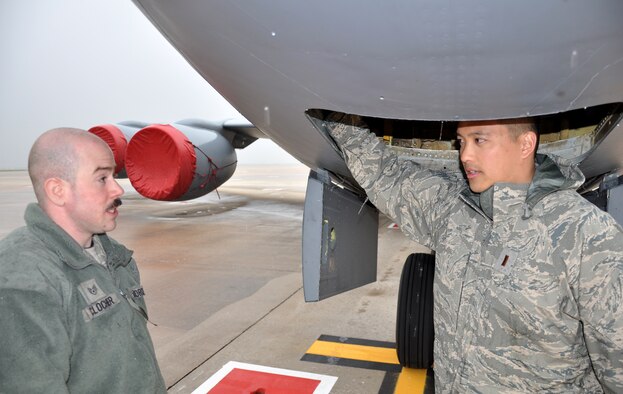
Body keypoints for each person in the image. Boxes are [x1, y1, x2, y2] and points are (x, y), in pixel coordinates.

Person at [321, 113, 623, 392]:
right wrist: (336, 116)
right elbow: (387, 175)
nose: (464, 155)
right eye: (461, 142)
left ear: (525, 144)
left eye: (480, 140)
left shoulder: (586, 234)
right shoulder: (455, 212)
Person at [0, 128, 166, 393]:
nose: (118, 189)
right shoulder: (23, 280)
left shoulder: (116, 258)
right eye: (102, 178)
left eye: (114, 175)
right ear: (57, 190)